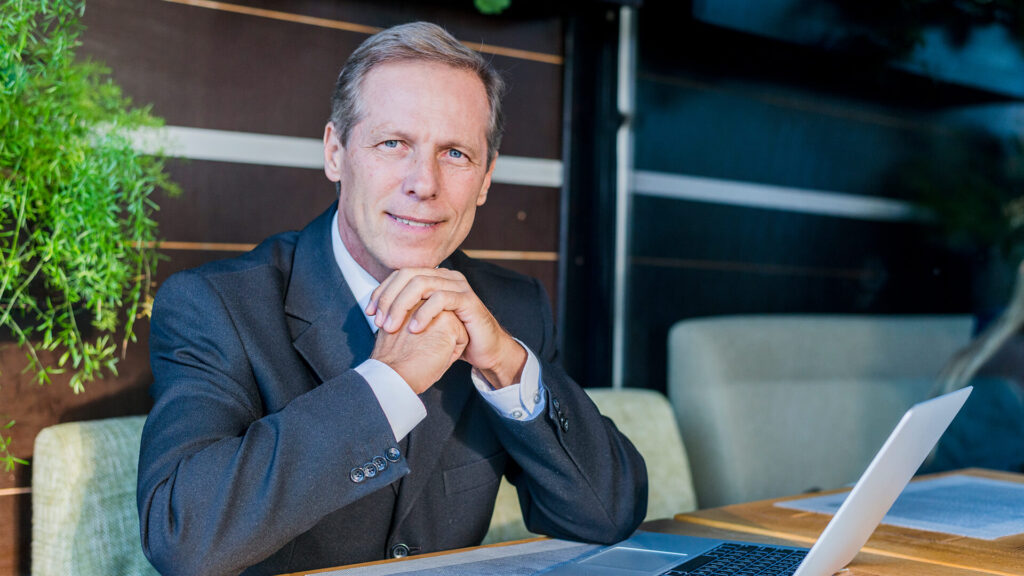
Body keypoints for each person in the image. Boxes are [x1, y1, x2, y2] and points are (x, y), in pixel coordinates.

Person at [136, 21, 647, 576]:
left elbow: (606, 514)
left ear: (485, 179)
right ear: (336, 153)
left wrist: (506, 364)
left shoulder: (510, 306)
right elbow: (182, 537)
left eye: (454, 153)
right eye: (393, 143)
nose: (423, 183)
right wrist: (388, 382)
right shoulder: (216, 306)